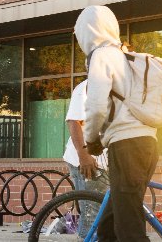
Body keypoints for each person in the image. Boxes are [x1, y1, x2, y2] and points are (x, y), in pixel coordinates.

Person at [78, 5, 158, 242]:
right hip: (146, 143)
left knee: (128, 230)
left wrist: (91, 141)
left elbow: (95, 105)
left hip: (127, 146)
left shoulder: (102, 56)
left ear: (87, 30)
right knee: (109, 228)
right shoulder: (125, 55)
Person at [64, 79, 108, 237]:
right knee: (91, 214)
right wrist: (84, 155)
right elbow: (73, 120)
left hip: (109, 163)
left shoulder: (121, 87)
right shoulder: (86, 87)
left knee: (107, 217)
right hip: (88, 161)